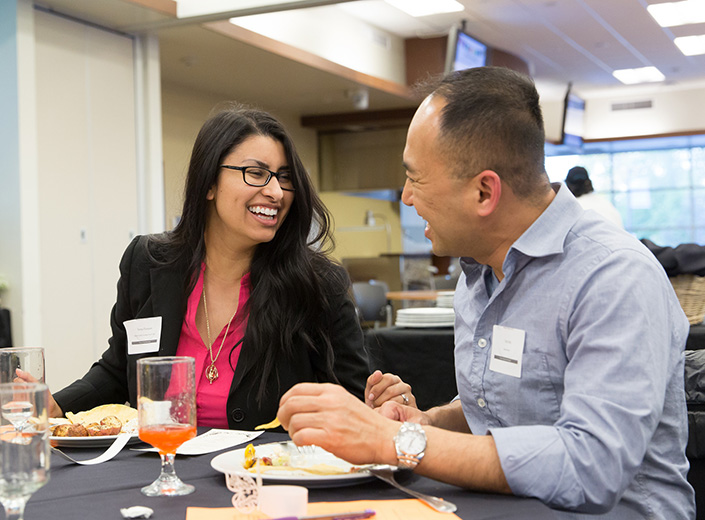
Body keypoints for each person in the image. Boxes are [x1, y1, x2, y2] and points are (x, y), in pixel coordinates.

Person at [278, 67, 695, 518]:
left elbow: (589, 467)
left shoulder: (613, 276)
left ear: (484, 192)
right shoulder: (479, 273)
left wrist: (396, 442)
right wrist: (427, 422)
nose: (406, 197)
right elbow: (512, 408)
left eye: (415, 179)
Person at [23, 104, 370, 430]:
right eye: (256, 173)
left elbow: (354, 400)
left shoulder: (319, 283)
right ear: (208, 184)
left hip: (267, 478)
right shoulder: (148, 263)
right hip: (161, 471)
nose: (276, 192)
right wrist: (56, 406)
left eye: (284, 177)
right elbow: (118, 372)